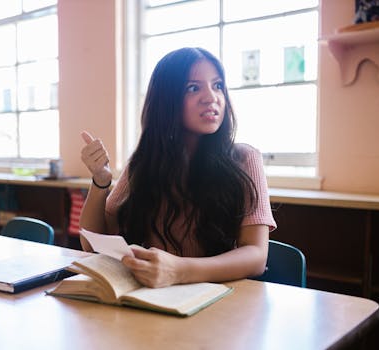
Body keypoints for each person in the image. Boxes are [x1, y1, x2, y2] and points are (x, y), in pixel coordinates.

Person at [79, 47, 276, 288]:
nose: (211, 97)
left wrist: (179, 271)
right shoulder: (145, 162)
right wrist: (100, 180)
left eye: (217, 86)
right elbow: (91, 244)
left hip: (218, 300)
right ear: (166, 100)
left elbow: (256, 255)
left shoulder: (244, 159)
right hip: (156, 298)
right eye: (193, 88)